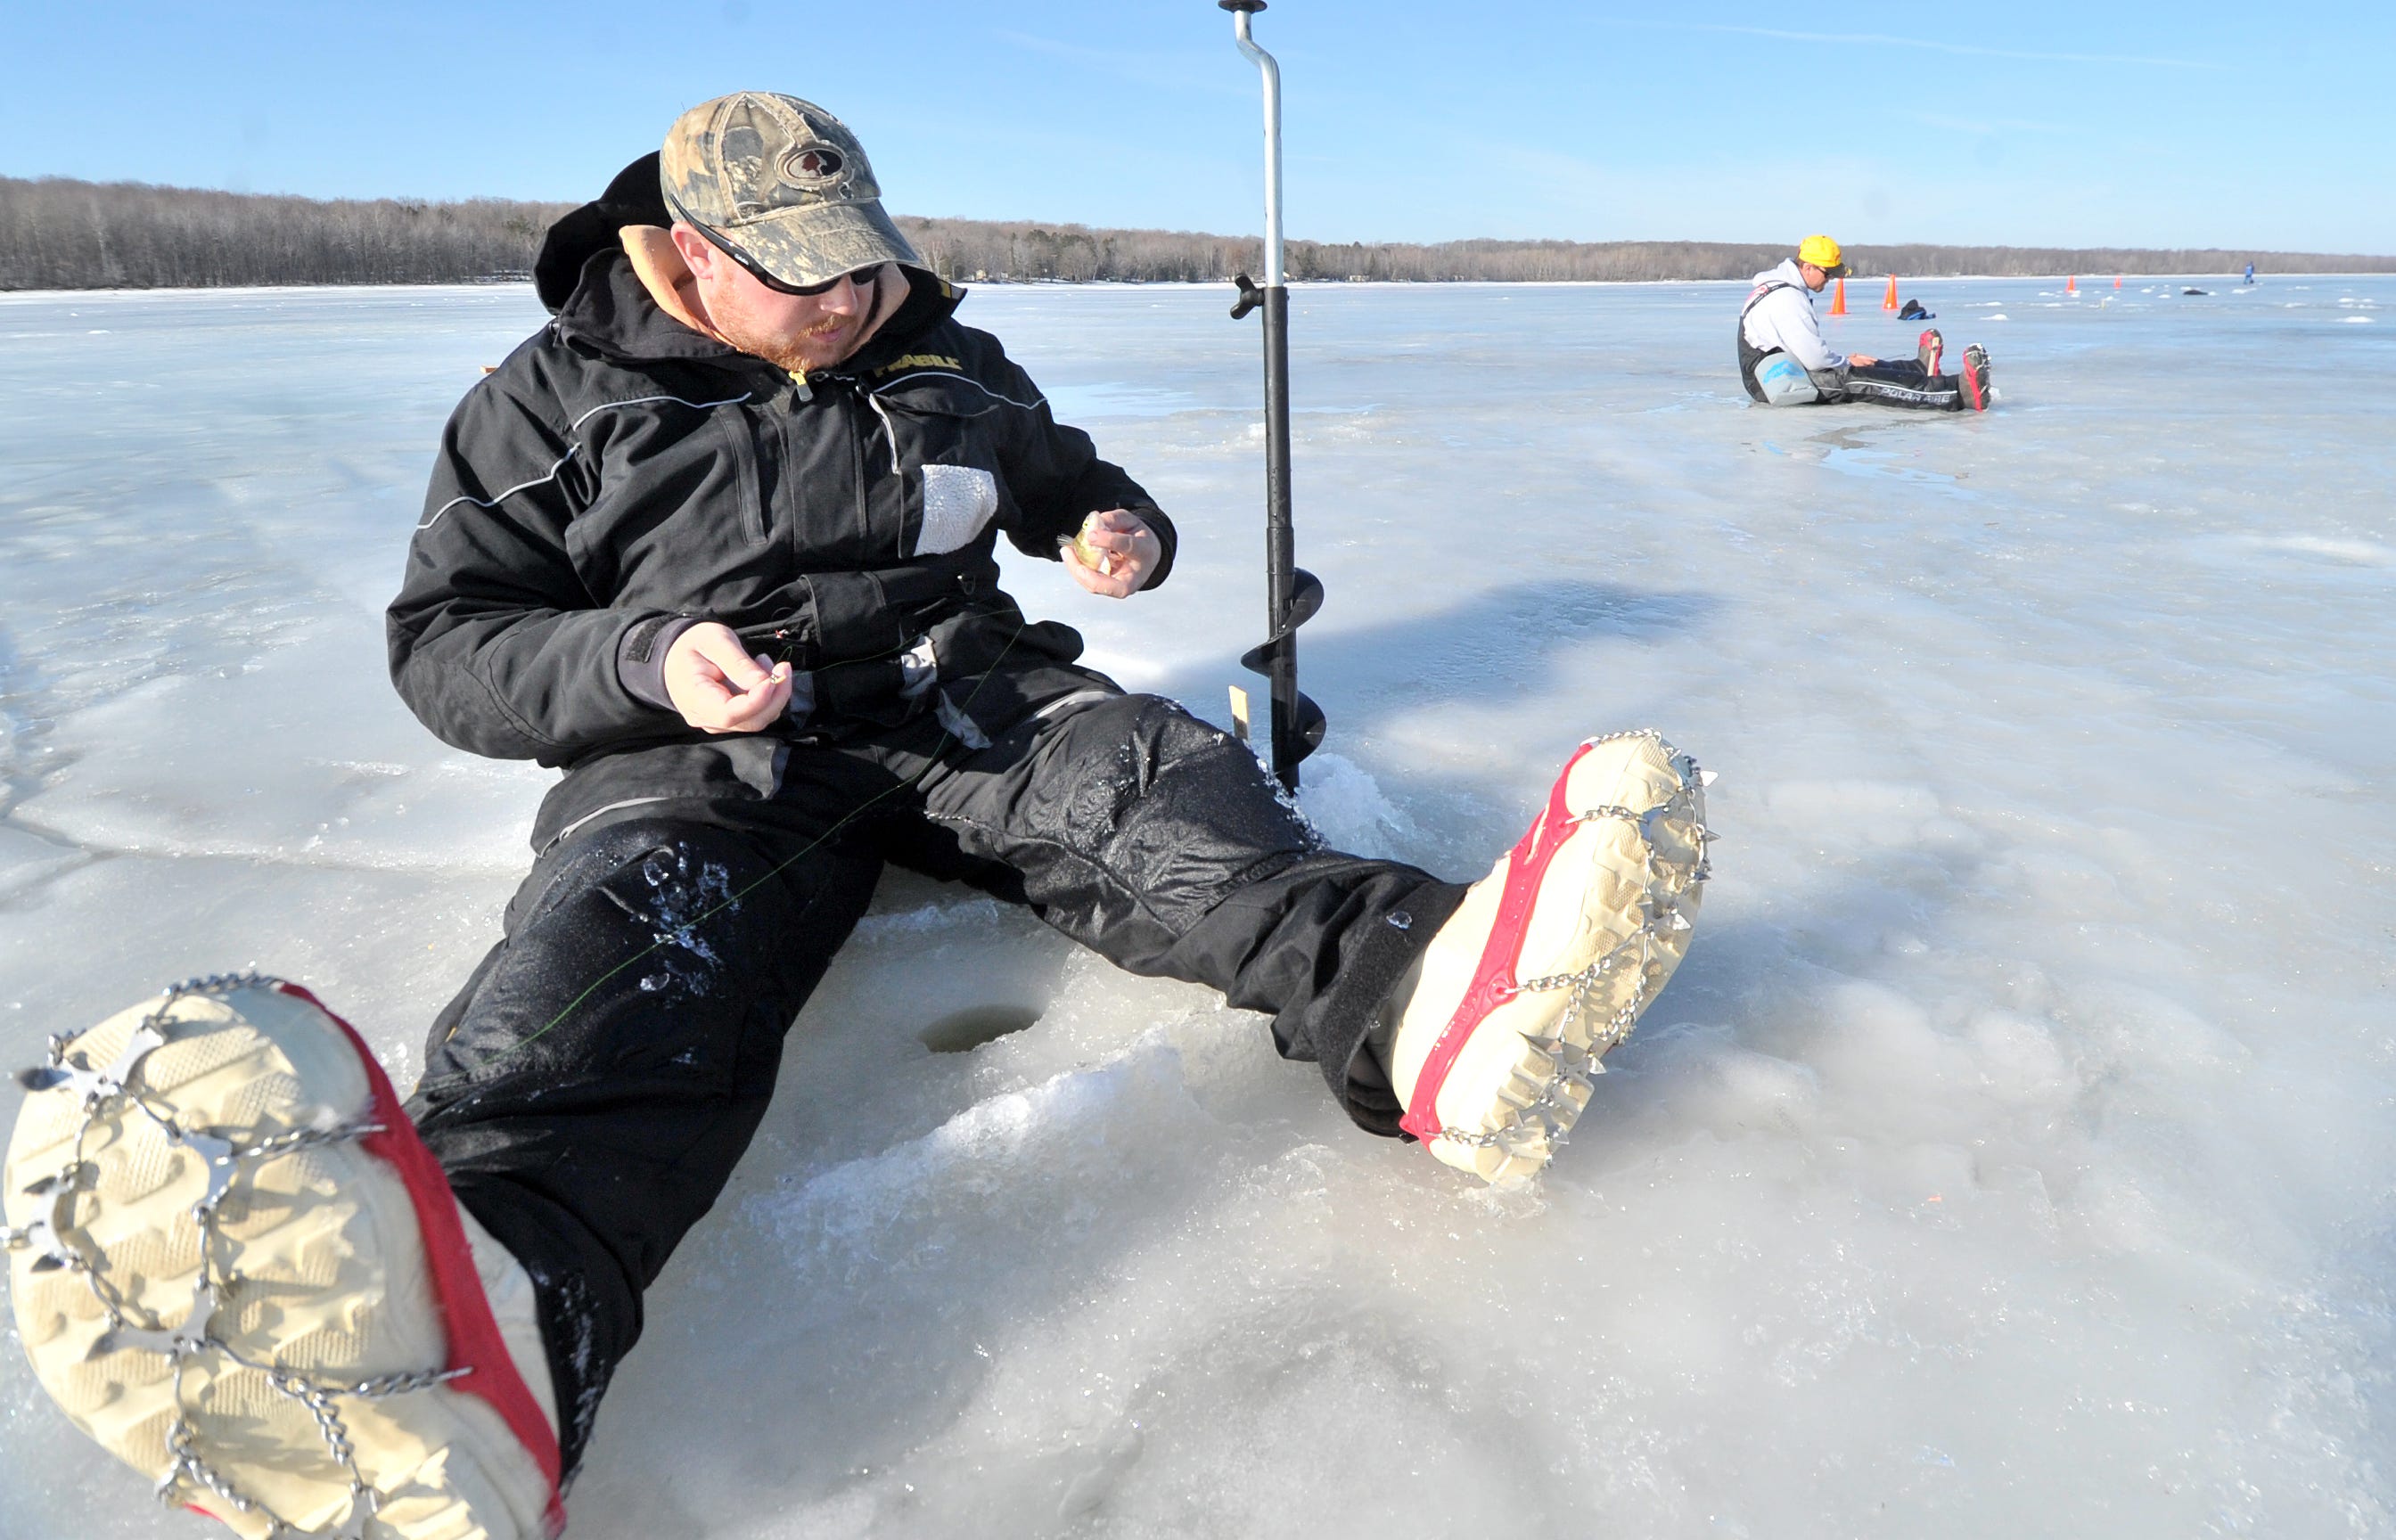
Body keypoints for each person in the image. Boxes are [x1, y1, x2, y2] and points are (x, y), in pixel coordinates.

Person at [2, 94, 1710, 1540]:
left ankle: (1414, 1001)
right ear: (690, 249)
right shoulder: (547, 403)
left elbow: (1061, 482)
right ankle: (491, 1327)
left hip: (953, 695)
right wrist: (647, 657)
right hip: (698, 752)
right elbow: (447, 646)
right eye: (810, 275)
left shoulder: (942, 352)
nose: (854, 293)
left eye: (867, 256)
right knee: (617, 958)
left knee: (1152, 785)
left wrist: (1115, 528)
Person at [1738, 233, 1992, 411]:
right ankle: (1956, 392)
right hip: (1775, 382)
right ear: (1807, 268)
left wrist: (1845, 360)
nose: (1830, 281)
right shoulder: (1788, 298)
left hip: (1781, 370)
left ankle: (1916, 367)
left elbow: (1808, 353)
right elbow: (1813, 358)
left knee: (1860, 366)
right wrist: (1846, 362)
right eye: (1828, 274)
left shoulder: (1778, 289)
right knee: (1861, 381)